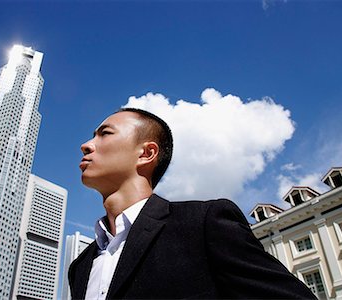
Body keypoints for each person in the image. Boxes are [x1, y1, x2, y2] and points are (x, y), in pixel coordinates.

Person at [69, 108, 316, 299]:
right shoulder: (80, 266)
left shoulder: (204, 223)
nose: (86, 145)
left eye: (105, 133)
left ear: (146, 153)